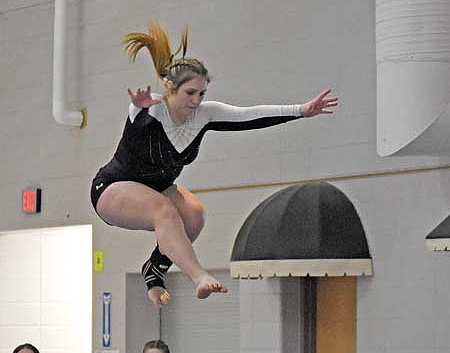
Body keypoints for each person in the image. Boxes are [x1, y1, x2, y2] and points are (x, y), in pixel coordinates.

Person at [91, 21, 338, 307]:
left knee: (194, 215)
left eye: (201, 93)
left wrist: (301, 111)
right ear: (170, 88)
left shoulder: (205, 115)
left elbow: (251, 115)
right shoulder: (153, 108)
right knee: (165, 210)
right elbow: (136, 113)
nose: (196, 100)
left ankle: (154, 269)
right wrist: (138, 105)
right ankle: (198, 277)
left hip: (156, 188)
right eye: (190, 93)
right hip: (112, 189)